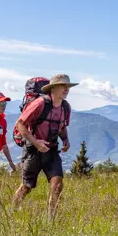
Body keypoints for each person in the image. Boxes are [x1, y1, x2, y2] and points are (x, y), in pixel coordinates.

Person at [12, 74, 75, 220]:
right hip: (33, 150)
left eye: (68, 86)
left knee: (57, 183)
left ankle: (50, 220)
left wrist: (65, 140)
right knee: (27, 187)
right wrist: (36, 143)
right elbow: (20, 124)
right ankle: (12, 213)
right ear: (53, 88)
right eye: (62, 86)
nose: (66, 89)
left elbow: (61, 126)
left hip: (51, 150)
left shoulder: (65, 107)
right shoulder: (39, 104)